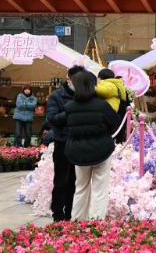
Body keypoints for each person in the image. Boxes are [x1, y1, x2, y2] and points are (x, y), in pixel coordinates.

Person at [64, 69, 121, 221]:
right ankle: (95, 222)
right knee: (100, 189)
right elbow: (115, 124)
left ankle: (77, 221)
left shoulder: (69, 107)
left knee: (80, 187)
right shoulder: (102, 105)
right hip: (102, 150)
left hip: (78, 151)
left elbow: (69, 128)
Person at [46, 67, 78, 221]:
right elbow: (52, 119)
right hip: (62, 143)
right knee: (61, 181)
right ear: (69, 80)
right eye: (76, 81)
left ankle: (70, 214)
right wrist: (72, 110)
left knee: (75, 182)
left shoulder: (84, 96)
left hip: (79, 144)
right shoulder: (57, 96)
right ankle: (58, 215)